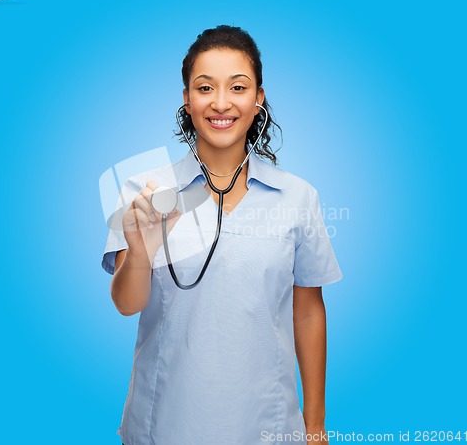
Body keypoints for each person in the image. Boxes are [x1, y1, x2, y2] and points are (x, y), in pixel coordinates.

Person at [102, 25, 342, 445]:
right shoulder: (144, 191)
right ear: (187, 101)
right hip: (165, 423)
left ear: (257, 101)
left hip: (266, 424)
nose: (221, 102)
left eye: (237, 87)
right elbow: (127, 304)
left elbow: (307, 312)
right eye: (205, 87)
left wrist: (315, 426)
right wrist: (139, 252)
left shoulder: (298, 197)